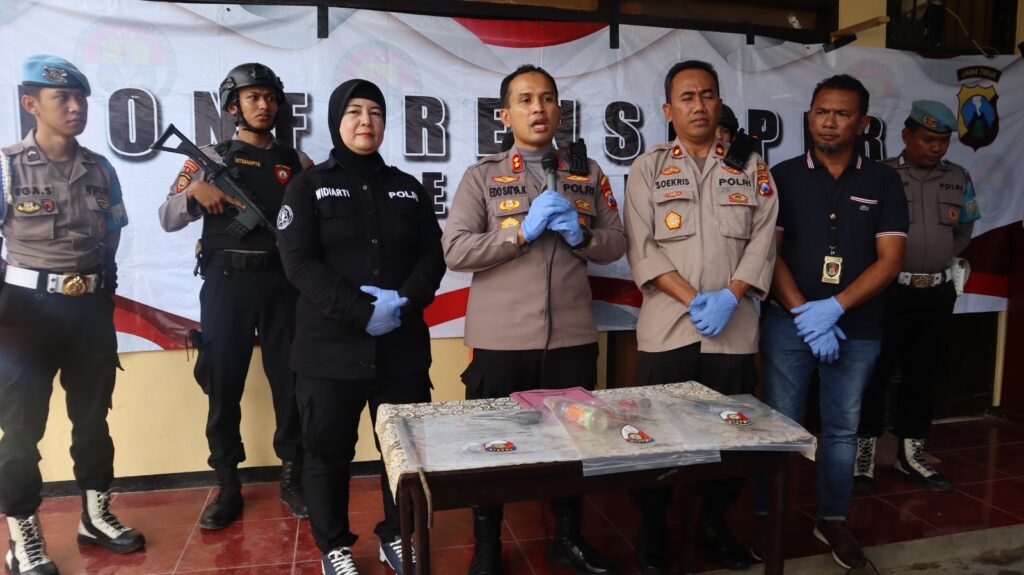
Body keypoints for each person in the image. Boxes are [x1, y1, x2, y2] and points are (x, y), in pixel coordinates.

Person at [442, 65, 626, 575]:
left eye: (546, 98)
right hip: (502, 340)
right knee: (493, 445)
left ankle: (567, 538)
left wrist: (582, 237)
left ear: (560, 111)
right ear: (505, 115)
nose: (537, 108)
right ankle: (486, 545)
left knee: (574, 443)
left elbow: (617, 242)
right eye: (524, 100)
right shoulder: (482, 176)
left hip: (570, 337)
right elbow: (456, 250)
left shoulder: (588, 174)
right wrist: (520, 232)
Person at [277, 79, 444, 575]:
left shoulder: (407, 187)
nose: (365, 120)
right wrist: (361, 311)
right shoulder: (307, 186)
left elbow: (433, 256)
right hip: (329, 352)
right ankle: (334, 547)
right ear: (337, 121)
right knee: (327, 452)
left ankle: (398, 536)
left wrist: (403, 302)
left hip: (401, 348)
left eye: (374, 111)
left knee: (404, 452)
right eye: (353, 111)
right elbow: (298, 262)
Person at [622, 60, 778, 572]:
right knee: (654, 441)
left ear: (719, 103)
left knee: (731, 442)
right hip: (668, 332)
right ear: (668, 110)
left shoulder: (750, 167)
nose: (698, 106)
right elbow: (641, 247)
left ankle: (714, 522)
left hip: (732, 332)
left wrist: (731, 295)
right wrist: (696, 299)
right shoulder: (648, 168)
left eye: (707, 95)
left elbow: (764, 238)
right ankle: (653, 531)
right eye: (686, 97)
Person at [0, 55, 144, 575]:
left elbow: (114, 230)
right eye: (61, 97)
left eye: (80, 97)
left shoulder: (101, 168)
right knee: (21, 431)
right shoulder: (6, 167)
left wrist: (100, 287)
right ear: (31, 103)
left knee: (92, 420)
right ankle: (23, 536)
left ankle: (96, 516)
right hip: (25, 316)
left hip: (87, 309)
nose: (75, 107)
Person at [759, 74, 908, 570]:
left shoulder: (883, 181)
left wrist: (836, 307)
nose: (829, 121)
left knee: (842, 429)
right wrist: (805, 313)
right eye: (822, 111)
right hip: (789, 323)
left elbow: (890, 260)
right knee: (780, 425)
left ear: (862, 123)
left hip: (857, 326)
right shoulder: (782, 175)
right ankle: (771, 520)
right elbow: (769, 254)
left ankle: (833, 519)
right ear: (808, 117)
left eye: (842, 114)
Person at [157, 63, 312, 530]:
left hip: (284, 285)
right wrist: (194, 194)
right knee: (223, 383)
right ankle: (227, 484)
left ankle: (293, 477)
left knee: (291, 382)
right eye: (252, 97)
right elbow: (166, 216)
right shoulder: (209, 158)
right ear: (233, 106)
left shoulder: (298, 162)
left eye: (270, 97)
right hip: (227, 283)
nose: (263, 105)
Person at [854, 101, 979, 493]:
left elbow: (963, 231)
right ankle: (863, 455)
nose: (936, 147)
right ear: (907, 136)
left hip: (936, 292)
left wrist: (934, 260)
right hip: (889, 291)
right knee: (875, 373)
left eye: (943, 141)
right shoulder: (882, 176)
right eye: (928, 139)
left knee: (925, 373)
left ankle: (911, 454)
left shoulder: (958, 178)